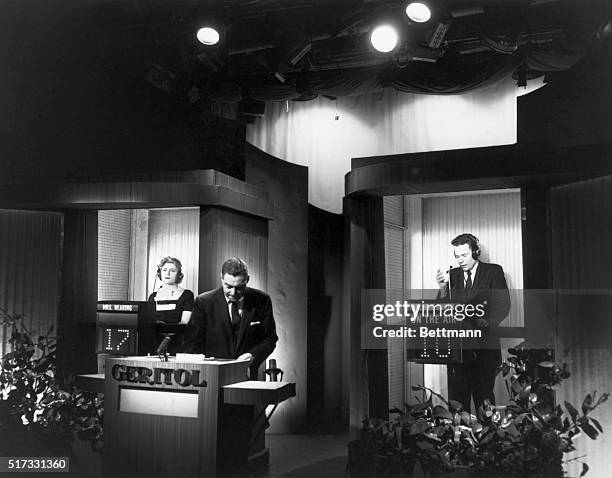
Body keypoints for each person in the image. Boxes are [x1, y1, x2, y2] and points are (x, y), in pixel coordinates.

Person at [435, 233, 510, 411]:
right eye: (457, 256)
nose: (460, 260)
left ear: (475, 252)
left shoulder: (493, 271)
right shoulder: (451, 275)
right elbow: (442, 312)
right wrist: (443, 290)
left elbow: (503, 304)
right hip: (458, 353)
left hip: (484, 351)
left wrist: (489, 322)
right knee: (457, 406)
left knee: (485, 405)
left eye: (464, 255)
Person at [182, 257, 278, 379]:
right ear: (221, 278)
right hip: (211, 377)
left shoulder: (262, 300)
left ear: (247, 280)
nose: (233, 292)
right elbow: (192, 344)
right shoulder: (204, 302)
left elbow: (270, 338)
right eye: (228, 286)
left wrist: (252, 355)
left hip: (248, 376)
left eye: (239, 287)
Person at [148, 256, 194, 324]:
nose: (167, 273)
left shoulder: (187, 295)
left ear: (179, 274)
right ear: (159, 273)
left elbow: (184, 323)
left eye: (172, 271)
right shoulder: (152, 296)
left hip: (178, 333)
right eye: (164, 270)